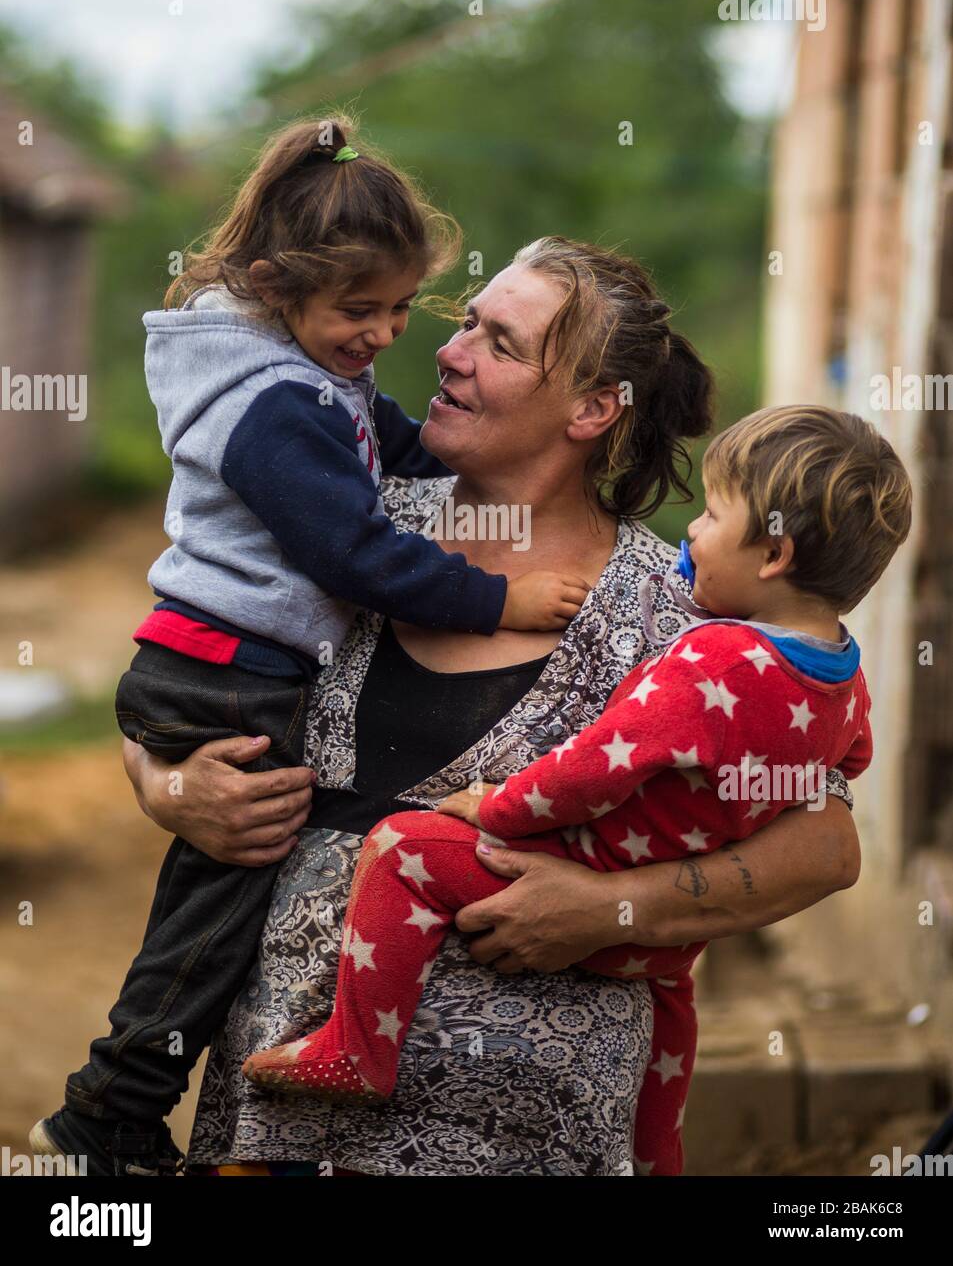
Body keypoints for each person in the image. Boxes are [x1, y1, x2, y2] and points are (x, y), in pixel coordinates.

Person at [123, 239, 863, 1178]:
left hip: (519, 1133)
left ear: (593, 409)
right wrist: (167, 782)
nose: (447, 349)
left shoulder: (673, 617)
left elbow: (825, 844)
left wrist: (612, 909)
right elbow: (179, 685)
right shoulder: (347, 525)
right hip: (281, 1107)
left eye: (499, 342)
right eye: (465, 320)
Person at [29, 123, 585, 1177]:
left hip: (214, 666)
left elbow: (394, 442)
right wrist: (502, 596)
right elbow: (360, 555)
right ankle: (108, 1109)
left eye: (396, 308)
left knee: (216, 897)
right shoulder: (273, 407)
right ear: (279, 284)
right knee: (220, 907)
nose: (382, 333)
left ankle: (120, 1103)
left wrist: (483, 471)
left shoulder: (309, 372)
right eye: (357, 309)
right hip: (224, 674)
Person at [242, 405, 912, 1176]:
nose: (691, 531)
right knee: (671, 1023)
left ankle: (357, 1049)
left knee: (401, 848)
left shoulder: (711, 651)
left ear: (772, 553)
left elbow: (600, 765)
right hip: (656, 950)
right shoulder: (844, 680)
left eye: (713, 516)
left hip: (575, 876)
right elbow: (842, 769)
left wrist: (497, 806)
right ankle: (656, 1154)